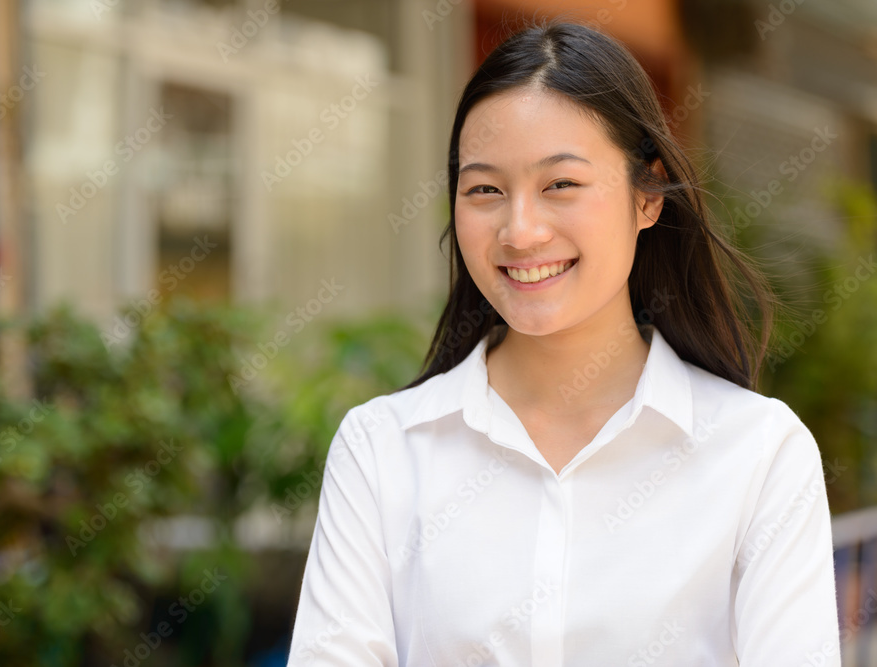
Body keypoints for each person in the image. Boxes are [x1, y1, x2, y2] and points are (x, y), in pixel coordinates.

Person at [287, 18, 841, 667]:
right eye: (485, 189)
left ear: (647, 195)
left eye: (561, 185)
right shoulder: (382, 451)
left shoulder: (758, 455)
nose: (520, 232)